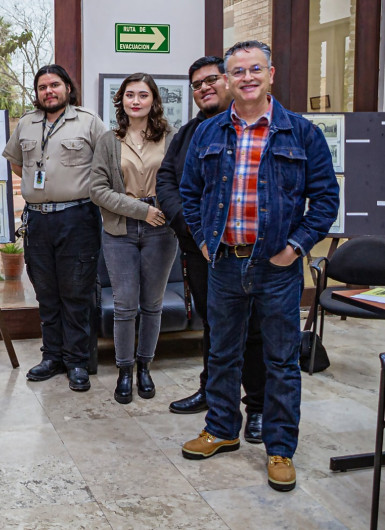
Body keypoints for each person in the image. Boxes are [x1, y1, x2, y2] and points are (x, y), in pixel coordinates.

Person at [179, 41, 339, 492]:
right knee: (222, 353)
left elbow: (326, 200)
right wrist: (205, 240)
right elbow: (190, 193)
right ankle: (222, 429)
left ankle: (280, 448)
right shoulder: (208, 133)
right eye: (237, 71)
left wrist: (295, 248)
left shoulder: (302, 133)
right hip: (224, 262)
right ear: (227, 80)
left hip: (277, 267)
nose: (246, 78)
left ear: (271, 74)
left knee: (281, 360)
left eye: (255, 69)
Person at [156, 56, 267, 444]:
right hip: (202, 252)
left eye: (211, 79)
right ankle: (214, 394)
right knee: (214, 326)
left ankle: (258, 406)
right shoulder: (188, 134)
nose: (204, 88)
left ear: (229, 81)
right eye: (196, 84)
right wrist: (190, 227)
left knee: (252, 329)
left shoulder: (254, 128)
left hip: (249, 251)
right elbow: (167, 182)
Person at [2, 64, 107, 392]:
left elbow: (108, 163)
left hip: (77, 218)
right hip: (38, 220)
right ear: (37, 93)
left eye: (55, 85)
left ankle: (76, 361)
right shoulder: (26, 124)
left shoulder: (88, 121)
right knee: (46, 292)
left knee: (76, 293)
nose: (49, 91)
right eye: (42, 87)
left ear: (67, 88)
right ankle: (52, 357)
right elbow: (17, 162)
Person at [90, 73, 178, 404]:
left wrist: (164, 211)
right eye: (130, 95)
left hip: (162, 229)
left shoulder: (171, 137)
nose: (136, 101)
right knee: (125, 305)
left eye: (143, 95)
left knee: (152, 305)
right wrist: (141, 211)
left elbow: (180, 182)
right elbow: (97, 190)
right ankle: (124, 371)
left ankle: (145, 367)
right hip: (120, 230)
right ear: (121, 100)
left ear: (154, 100)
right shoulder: (109, 140)